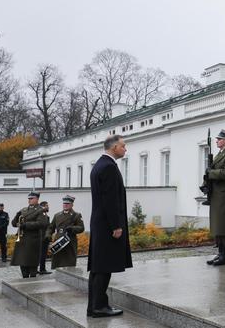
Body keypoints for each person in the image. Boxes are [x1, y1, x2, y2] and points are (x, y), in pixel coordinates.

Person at [87, 135, 132, 318]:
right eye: (123, 146)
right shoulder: (109, 167)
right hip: (107, 225)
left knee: (99, 266)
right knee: (104, 266)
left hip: (100, 223)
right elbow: (110, 200)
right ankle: (99, 307)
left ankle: (95, 306)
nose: (125, 149)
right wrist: (116, 225)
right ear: (114, 147)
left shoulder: (100, 165)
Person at [204, 129, 225, 266]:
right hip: (217, 194)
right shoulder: (220, 154)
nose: (217, 141)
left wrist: (211, 173)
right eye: (217, 139)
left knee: (224, 226)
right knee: (218, 226)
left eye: (219, 139)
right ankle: (220, 254)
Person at [10, 192, 48, 278]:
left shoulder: (41, 210)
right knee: (22, 260)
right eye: (29, 198)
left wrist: (25, 225)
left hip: (33, 239)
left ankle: (32, 278)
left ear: (37, 199)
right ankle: (25, 276)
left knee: (32, 261)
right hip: (22, 239)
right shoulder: (23, 210)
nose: (29, 200)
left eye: (32, 198)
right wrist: (17, 216)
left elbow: (42, 223)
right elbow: (13, 223)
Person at [48, 195, 85, 269]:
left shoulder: (76, 215)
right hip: (58, 241)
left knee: (69, 264)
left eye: (67, 204)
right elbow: (51, 227)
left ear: (72, 204)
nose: (65, 205)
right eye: (64, 203)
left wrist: (72, 228)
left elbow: (81, 228)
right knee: (58, 264)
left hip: (69, 241)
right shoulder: (57, 215)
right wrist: (48, 235)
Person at [38, 200, 52, 275]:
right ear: (43, 206)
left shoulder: (45, 215)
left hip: (43, 237)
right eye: (47, 206)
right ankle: (42, 269)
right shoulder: (42, 214)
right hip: (42, 237)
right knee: (42, 254)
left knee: (41, 254)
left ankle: (39, 269)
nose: (48, 207)